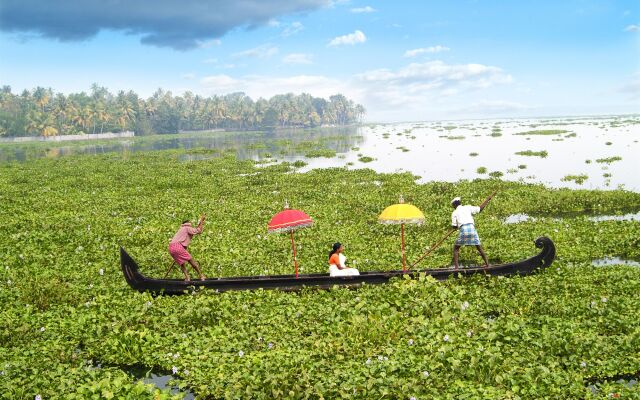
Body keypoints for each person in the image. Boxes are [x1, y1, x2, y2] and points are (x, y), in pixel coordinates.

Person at [450, 197, 490, 270]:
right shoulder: (468, 207)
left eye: (452, 205)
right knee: (479, 247)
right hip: (472, 229)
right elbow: (480, 209)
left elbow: (454, 226)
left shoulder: (454, 212)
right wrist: (487, 200)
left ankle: (456, 268)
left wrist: (455, 228)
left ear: (454, 205)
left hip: (463, 230)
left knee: (456, 248)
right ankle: (487, 265)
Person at [168, 214, 207, 282]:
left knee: (182, 264)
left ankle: (187, 278)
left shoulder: (181, 229)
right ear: (188, 223)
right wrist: (201, 220)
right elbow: (198, 231)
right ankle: (201, 276)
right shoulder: (187, 227)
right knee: (191, 261)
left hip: (171, 248)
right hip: (178, 247)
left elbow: (195, 229)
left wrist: (200, 222)